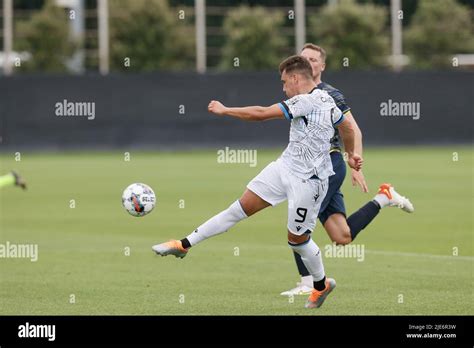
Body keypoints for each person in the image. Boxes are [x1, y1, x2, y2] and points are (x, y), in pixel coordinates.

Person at [152, 55, 363, 309]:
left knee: (297, 241)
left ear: (296, 78)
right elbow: (348, 129)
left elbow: (262, 114)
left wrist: (225, 110)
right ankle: (184, 244)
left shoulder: (305, 102)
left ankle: (321, 285)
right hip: (285, 167)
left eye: (285, 82)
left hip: (310, 181)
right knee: (239, 208)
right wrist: (351, 155)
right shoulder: (327, 100)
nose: (283, 88)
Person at [281, 44, 414, 296]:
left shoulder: (330, 94)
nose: (308, 62)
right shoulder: (297, 92)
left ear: (322, 66)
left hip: (328, 164)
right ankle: (384, 197)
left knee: (299, 217)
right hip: (311, 167)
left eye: (313, 59)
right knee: (342, 237)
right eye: (304, 58)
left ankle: (308, 282)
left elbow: (353, 129)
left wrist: (356, 162)